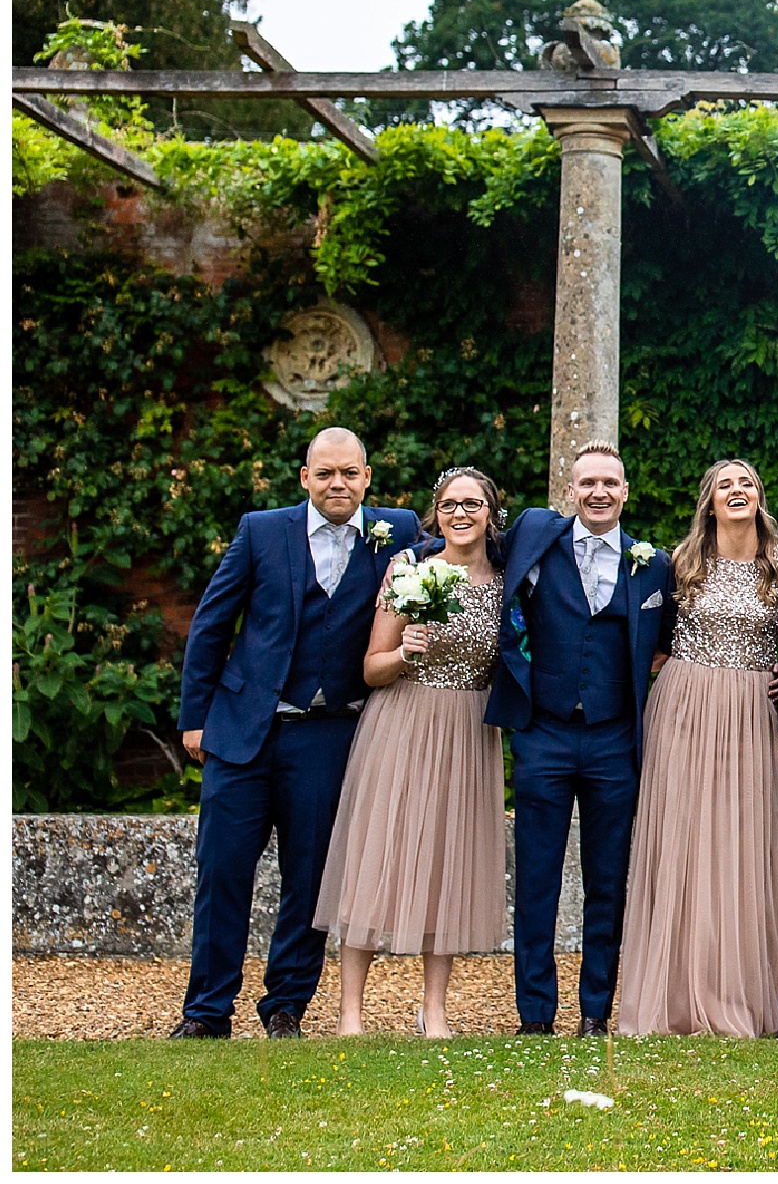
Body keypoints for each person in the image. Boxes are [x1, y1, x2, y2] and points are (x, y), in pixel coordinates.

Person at [170, 427, 423, 1040]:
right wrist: (194, 717)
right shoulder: (262, 530)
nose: (339, 484)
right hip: (243, 728)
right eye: (326, 473)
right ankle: (206, 1013)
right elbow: (212, 623)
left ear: (368, 477)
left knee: (310, 879)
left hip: (329, 734)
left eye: (351, 473)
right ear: (305, 477)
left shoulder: (402, 532)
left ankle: (286, 1007)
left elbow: (464, 562)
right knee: (222, 870)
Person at [488, 442, 676, 1037]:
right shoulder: (534, 540)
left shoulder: (655, 565)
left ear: (626, 493)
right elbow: (461, 542)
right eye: (588, 483)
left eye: (610, 484)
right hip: (543, 734)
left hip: (615, 741)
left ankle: (596, 1011)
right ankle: (536, 1016)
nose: (599, 493)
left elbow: (677, 640)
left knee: (608, 880)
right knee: (537, 879)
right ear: (571, 491)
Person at [317, 466, 509, 1037]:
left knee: (446, 861)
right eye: (450, 505)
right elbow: (372, 668)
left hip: (469, 729)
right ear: (436, 513)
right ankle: (351, 1012)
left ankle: (436, 1010)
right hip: (404, 721)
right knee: (377, 854)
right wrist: (405, 652)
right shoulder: (411, 570)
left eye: (472, 504)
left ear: (491, 514)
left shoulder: (507, 581)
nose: (461, 514)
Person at [617, 459, 778, 1038]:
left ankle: (737, 994)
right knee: (686, 841)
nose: (738, 491)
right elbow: (648, 630)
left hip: (749, 712)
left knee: (741, 841)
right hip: (686, 706)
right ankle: (672, 995)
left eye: (748, 482)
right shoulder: (681, 561)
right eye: (727, 485)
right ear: (710, 500)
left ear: (760, 496)